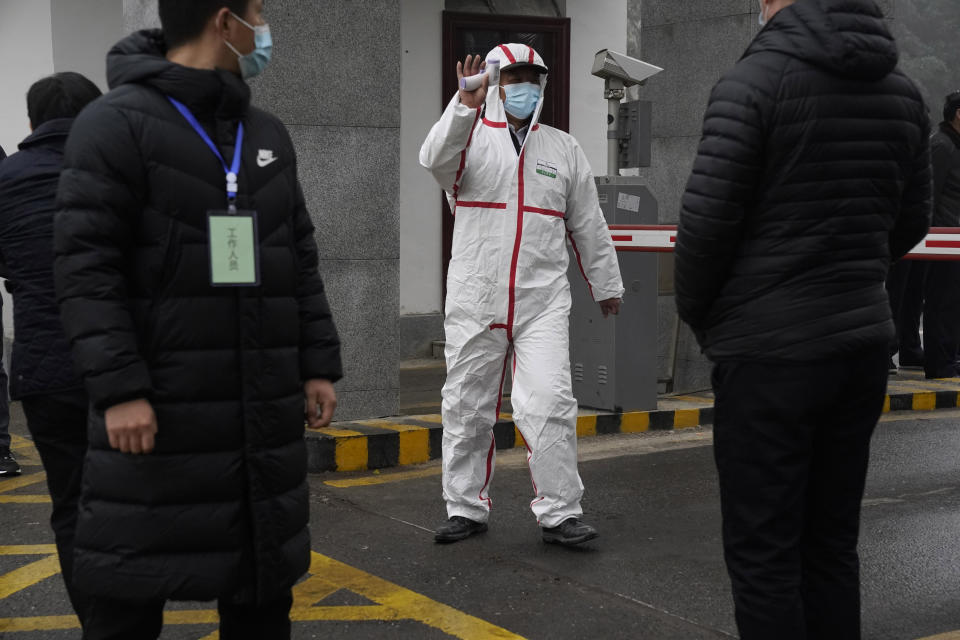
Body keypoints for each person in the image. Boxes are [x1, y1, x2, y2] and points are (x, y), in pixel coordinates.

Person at [53, 0, 342, 637]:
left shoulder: (264, 132)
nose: (264, 29)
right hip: (160, 404)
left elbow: (297, 253)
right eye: (258, 12)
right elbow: (84, 268)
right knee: (130, 582)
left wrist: (317, 364)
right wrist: (120, 388)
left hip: (260, 407)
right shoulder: (113, 124)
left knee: (261, 583)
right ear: (224, 21)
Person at [674, 0, 931, 638]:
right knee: (831, 544)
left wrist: (708, 318)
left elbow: (705, 228)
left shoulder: (753, 83)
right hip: (861, 342)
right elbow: (913, 220)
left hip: (767, 354)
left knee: (764, 553)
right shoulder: (902, 91)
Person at [420, 43, 624, 546]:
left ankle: (560, 512)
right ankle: (465, 508)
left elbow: (588, 224)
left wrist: (607, 284)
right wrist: (462, 107)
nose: (523, 87)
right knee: (467, 406)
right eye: (512, 77)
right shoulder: (468, 138)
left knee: (551, 402)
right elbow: (434, 160)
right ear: (492, 81)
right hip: (476, 298)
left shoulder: (562, 148)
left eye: (532, 77)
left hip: (542, 301)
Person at [0, 71, 102, 627]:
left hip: (44, 367)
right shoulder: (124, 169)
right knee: (134, 500)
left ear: (33, 121)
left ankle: (96, 622)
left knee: (70, 505)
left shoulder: (6, 176)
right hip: (121, 369)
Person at [923, 91, 960, 378]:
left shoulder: (953, 145)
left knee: (952, 302)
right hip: (942, 239)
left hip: (953, 238)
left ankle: (948, 357)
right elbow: (930, 194)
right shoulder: (942, 146)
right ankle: (938, 362)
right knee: (941, 301)